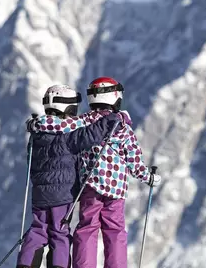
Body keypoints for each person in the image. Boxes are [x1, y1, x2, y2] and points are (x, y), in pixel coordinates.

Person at [34, 77, 162, 268]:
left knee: (87, 228)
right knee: (115, 230)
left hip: (90, 186)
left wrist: (37, 123)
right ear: (116, 97)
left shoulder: (84, 121)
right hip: (116, 191)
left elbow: (60, 125)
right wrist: (149, 177)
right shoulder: (124, 129)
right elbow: (135, 163)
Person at [16, 84, 124, 268]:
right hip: (63, 195)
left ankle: (25, 265)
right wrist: (110, 120)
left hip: (40, 195)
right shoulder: (68, 136)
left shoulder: (37, 135)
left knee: (38, 230)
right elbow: (91, 135)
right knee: (59, 233)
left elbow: (31, 161)